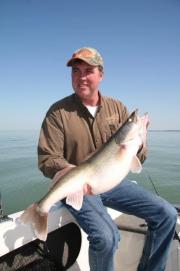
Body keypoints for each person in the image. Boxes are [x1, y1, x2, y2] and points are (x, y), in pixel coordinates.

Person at [37, 47, 177, 271]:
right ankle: (40, 210)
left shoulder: (118, 108)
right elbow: (47, 158)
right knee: (107, 237)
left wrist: (141, 140)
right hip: (80, 189)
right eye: (76, 71)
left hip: (114, 184)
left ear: (101, 75)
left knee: (167, 214)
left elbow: (137, 160)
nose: (81, 77)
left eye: (88, 71)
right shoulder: (57, 113)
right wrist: (71, 173)